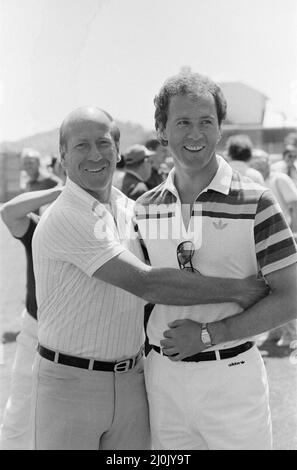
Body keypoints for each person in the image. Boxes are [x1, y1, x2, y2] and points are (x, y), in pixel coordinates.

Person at [31, 106, 267, 450]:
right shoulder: (67, 215)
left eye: (104, 143)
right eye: (82, 146)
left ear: (118, 151)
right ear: (63, 156)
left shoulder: (131, 208)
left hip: (133, 381)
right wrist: (240, 290)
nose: (95, 154)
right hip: (71, 385)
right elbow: (147, 283)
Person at [135, 71, 297, 450]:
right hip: (162, 381)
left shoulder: (257, 201)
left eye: (207, 121)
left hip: (232, 377)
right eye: (183, 122)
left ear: (220, 129)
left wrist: (210, 335)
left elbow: (292, 297)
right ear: (161, 129)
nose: (196, 134)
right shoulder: (144, 209)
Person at [0, 187, 63, 450]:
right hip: (35, 331)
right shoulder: (39, 231)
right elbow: (9, 212)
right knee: (19, 418)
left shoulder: (97, 232)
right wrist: (59, 190)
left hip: (72, 339)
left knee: (62, 421)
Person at [250, 149, 297, 346]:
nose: (257, 164)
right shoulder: (263, 180)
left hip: (285, 238)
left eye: (260, 160)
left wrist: (293, 232)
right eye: (255, 161)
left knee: (285, 287)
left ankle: (293, 334)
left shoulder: (280, 178)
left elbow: (294, 205)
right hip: (268, 239)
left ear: (268, 160)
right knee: (269, 288)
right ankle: (276, 332)